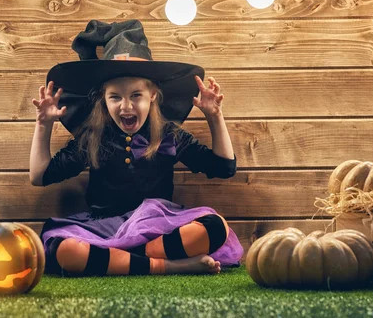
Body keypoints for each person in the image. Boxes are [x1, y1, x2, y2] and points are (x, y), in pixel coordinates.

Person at [29, 19, 243, 277]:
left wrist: (214, 117)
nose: (126, 106)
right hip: (104, 230)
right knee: (64, 250)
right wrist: (44, 125)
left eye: (136, 95)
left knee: (216, 226)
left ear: (152, 95)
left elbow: (223, 167)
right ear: (103, 100)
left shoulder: (169, 135)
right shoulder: (93, 137)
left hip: (158, 229)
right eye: (115, 97)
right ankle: (167, 266)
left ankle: (124, 259)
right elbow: (39, 176)